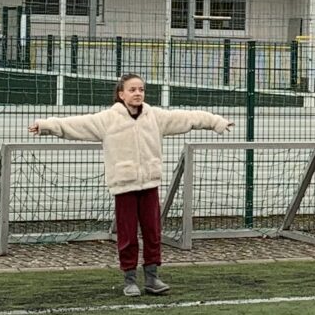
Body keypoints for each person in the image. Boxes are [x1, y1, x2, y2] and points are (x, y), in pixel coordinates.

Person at [27, 74, 231, 296]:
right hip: (123, 186)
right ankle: (130, 279)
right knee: (127, 234)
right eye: (132, 89)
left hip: (150, 184)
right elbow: (74, 124)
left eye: (141, 89)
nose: (137, 93)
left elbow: (187, 118)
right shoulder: (107, 119)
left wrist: (216, 122)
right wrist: (45, 125)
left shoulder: (155, 117)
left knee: (153, 232)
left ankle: (152, 278)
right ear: (121, 94)